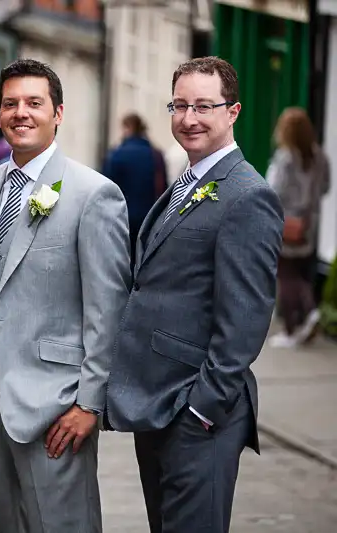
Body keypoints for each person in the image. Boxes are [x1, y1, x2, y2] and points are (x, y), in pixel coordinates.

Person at [106, 56, 284, 533]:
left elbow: (246, 317)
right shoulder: (187, 182)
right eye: (180, 105)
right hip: (156, 405)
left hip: (197, 414)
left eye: (204, 106)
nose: (189, 118)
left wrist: (202, 407)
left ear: (234, 111)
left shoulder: (248, 196)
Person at [0, 59, 131, 533]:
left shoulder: (95, 194)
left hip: (57, 405)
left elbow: (107, 309)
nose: (21, 113)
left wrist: (89, 404)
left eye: (34, 103)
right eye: (10, 103)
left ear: (58, 113)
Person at [266, 107, 331, 348]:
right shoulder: (320, 156)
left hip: (286, 222)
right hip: (309, 224)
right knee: (301, 271)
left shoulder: (285, 157)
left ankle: (295, 326)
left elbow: (274, 190)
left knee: (285, 273)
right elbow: (325, 187)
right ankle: (307, 315)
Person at [103, 113, 168, 266]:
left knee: (122, 261)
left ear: (128, 128)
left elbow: (105, 188)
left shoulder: (117, 154)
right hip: (149, 218)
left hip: (121, 218)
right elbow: (164, 188)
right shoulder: (156, 154)